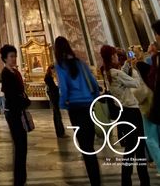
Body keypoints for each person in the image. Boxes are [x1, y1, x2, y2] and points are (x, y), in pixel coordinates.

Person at [100, 44, 150, 186]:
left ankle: (125, 181)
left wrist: (126, 66)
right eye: (115, 55)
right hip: (132, 112)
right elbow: (136, 84)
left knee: (129, 149)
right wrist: (134, 69)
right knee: (139, 149)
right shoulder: (117, 73)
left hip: (123, 113)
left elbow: (120, 76)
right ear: (112, 57)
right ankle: (144, 181)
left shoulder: (108, 73)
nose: (117, 56)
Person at [54, 36, 101, 186]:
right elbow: (94, 84)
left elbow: (64, 88)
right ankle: (97, 180)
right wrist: (92, 99)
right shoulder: (81, 63)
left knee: (84, 146)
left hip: (75, 108)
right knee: (90, 146)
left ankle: (94, 180)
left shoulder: (60, 65)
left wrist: (63, 104)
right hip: (88, 106)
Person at [1, 44, 30, 186]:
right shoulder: (6, 73)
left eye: (15, 56)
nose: (14, 59)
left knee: (22, 145)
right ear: (5, 58)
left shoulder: (16, 72)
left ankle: (21, 177)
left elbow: (20, 90)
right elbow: (10, 94)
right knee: (20, 144)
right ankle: (19, 179)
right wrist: (22, 101)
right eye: (11, 56)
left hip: (19, 110)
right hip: (13, 113)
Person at [134, 61, 160, 174]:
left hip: (148, 111)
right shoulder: (154, 78)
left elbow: (138, 94)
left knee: (150, 139)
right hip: (156, 110)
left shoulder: (143, 82)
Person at [44, 64, 65, 137]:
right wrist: (59, 87)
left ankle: (60, 132)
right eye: (53, 69)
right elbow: (53, 87)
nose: (54, 71)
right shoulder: (48, 77)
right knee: (57, 114)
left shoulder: (51, 76)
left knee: (56, 114)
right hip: (53, 96)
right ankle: (60, 132)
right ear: (50, 69)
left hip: (55, 95)